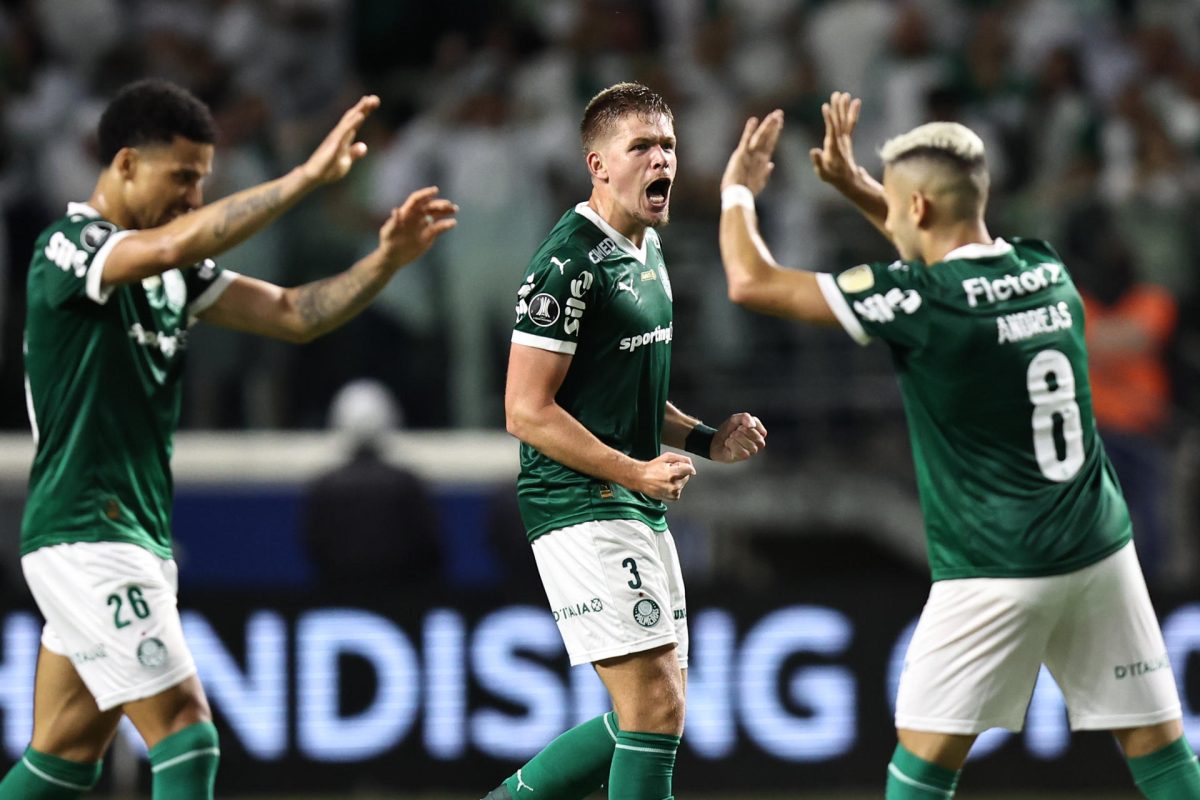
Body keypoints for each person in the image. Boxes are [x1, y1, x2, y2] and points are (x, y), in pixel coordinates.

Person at [717, 91, 1200, 799]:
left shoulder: (925, 301)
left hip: (994, 566)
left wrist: (737, 190)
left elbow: (749, 281)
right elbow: (935, 248)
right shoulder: (1046, 270)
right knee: (1160, 756)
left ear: (916, 209)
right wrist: (857, 185)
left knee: (922, 772)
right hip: (1098, 548)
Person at [2, 78, 456, 800]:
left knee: (63, 757)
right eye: (182, 177)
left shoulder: (172, 270)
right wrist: (306, 179)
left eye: (202, 181)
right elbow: (171, 243)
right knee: (187, 729)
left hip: (132, 533)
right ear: (123, 164)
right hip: (87, 531)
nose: (193, 197)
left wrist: (386, 263)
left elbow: (294, 312)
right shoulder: (70, 247)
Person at [483, 82, 767, 800]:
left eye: (667, 144)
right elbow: (525, 409)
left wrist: (705, 437)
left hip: (629, 501)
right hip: (579, 502)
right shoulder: (566, 263)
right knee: (655, 707)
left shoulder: (646, 250)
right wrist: (634, 471)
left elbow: (626, 388)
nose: (660, 157)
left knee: (651, 712)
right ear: (598, 164)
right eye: (640, 146)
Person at [302, 379, 442, 593]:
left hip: (342, 597)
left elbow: (314, 546)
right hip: (402, 598)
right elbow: (431, 547)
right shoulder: (406, 484)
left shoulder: (325, 487)